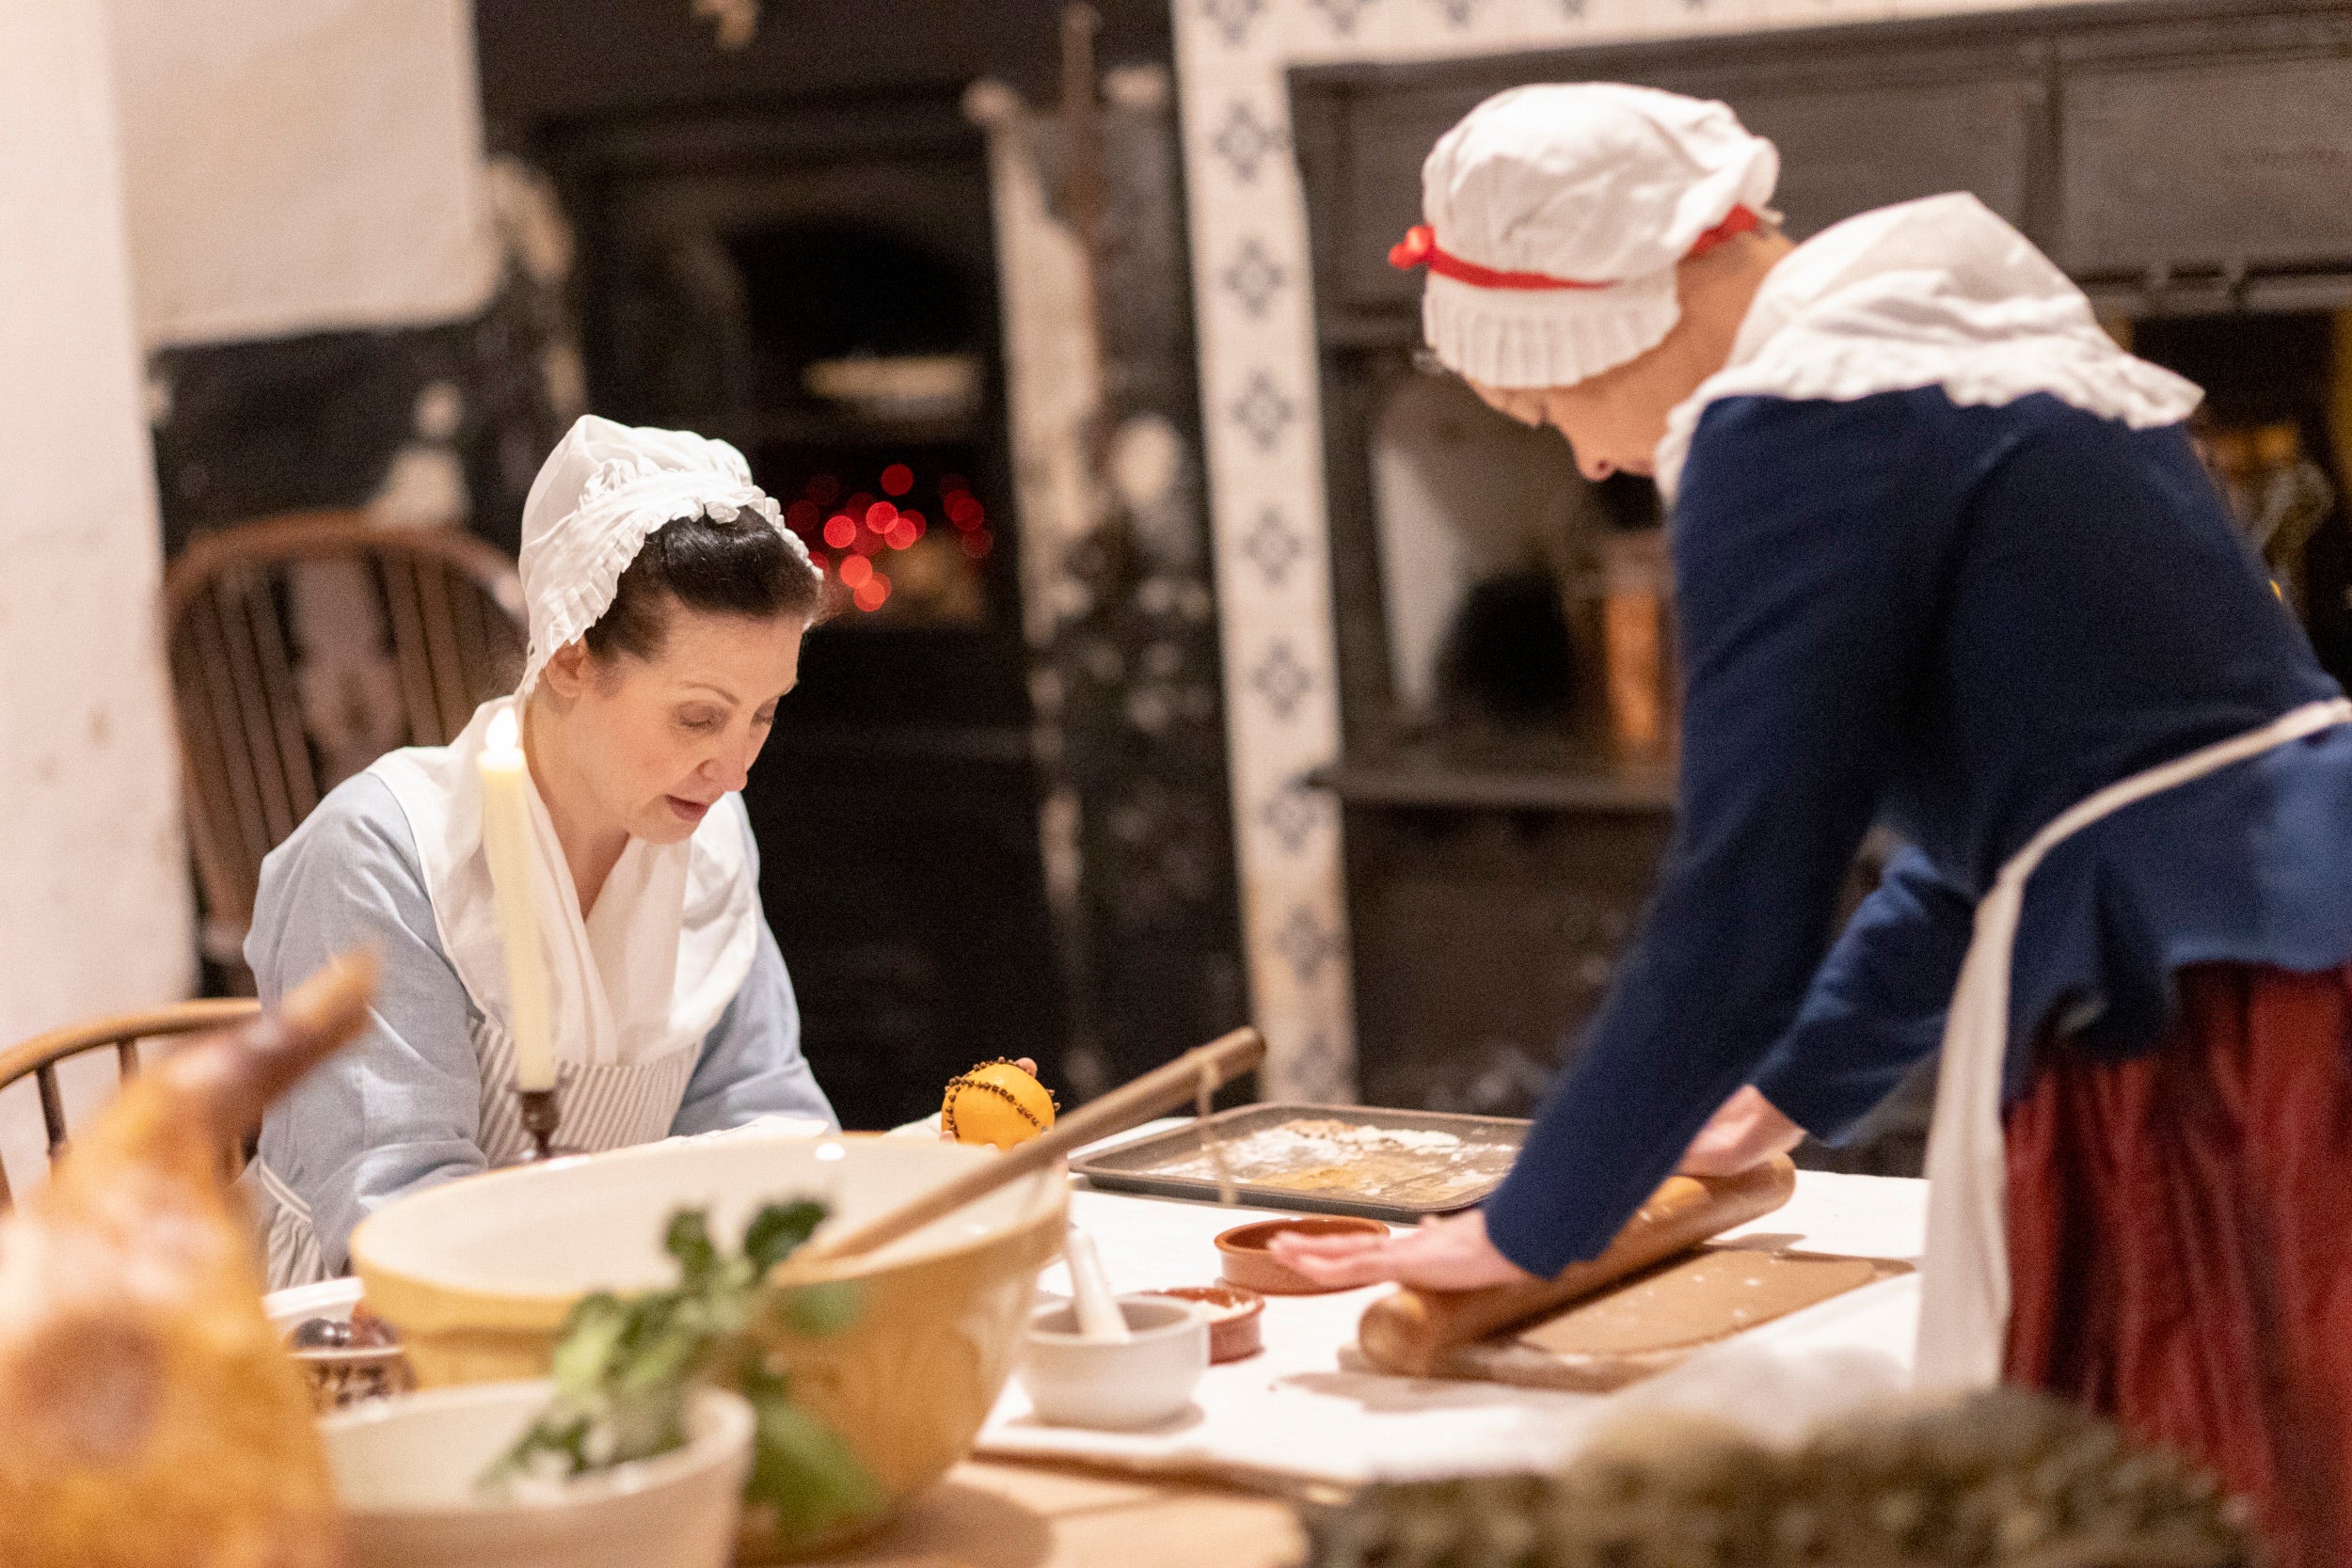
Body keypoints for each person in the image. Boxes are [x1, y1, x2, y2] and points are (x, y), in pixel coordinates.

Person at [1272, 84, 2352, 1566]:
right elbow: (2030, 825)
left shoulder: (1797, 414)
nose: (1588, 460)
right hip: (2276, 928)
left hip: (2204, 1002)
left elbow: (1744, 883)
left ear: (1600, 320)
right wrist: (1783, 1088)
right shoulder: (1983, 355)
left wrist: (1534, 1219)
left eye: (1546, 407)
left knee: (2217, 1460)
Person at [246, 416, 837, 1290]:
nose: (737, 769)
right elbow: (396, 1219)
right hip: (362, 1358)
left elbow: (765, 1108)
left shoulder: (704, 834)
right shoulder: (385, 857)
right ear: (569, 656)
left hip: (613, 1315)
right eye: (699, 717)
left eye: (764, 714)